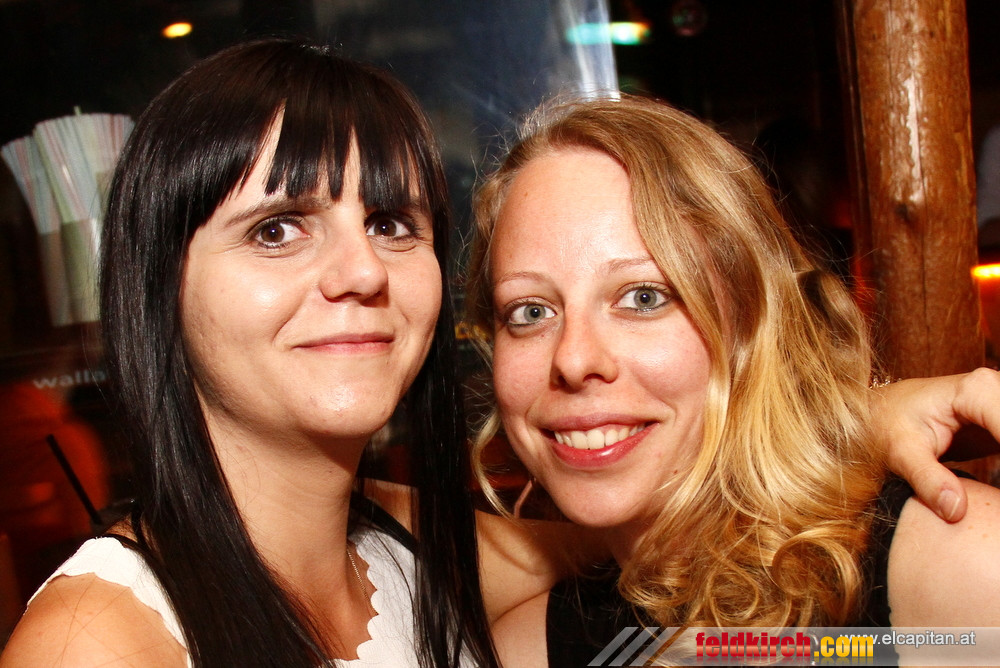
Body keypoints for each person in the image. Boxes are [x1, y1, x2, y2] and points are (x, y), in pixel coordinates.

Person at [0, 38, 504, 668]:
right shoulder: (97, 644)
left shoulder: (414, 551)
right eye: (276, 229)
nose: (364, 271)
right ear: (161, 287)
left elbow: (592, 552)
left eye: (389, 224)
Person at [464, 95, 1000, 666]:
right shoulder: (529, 650)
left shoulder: (954, 572)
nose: (572, 360)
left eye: (643, 298)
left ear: (751, 324)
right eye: (530, 311)